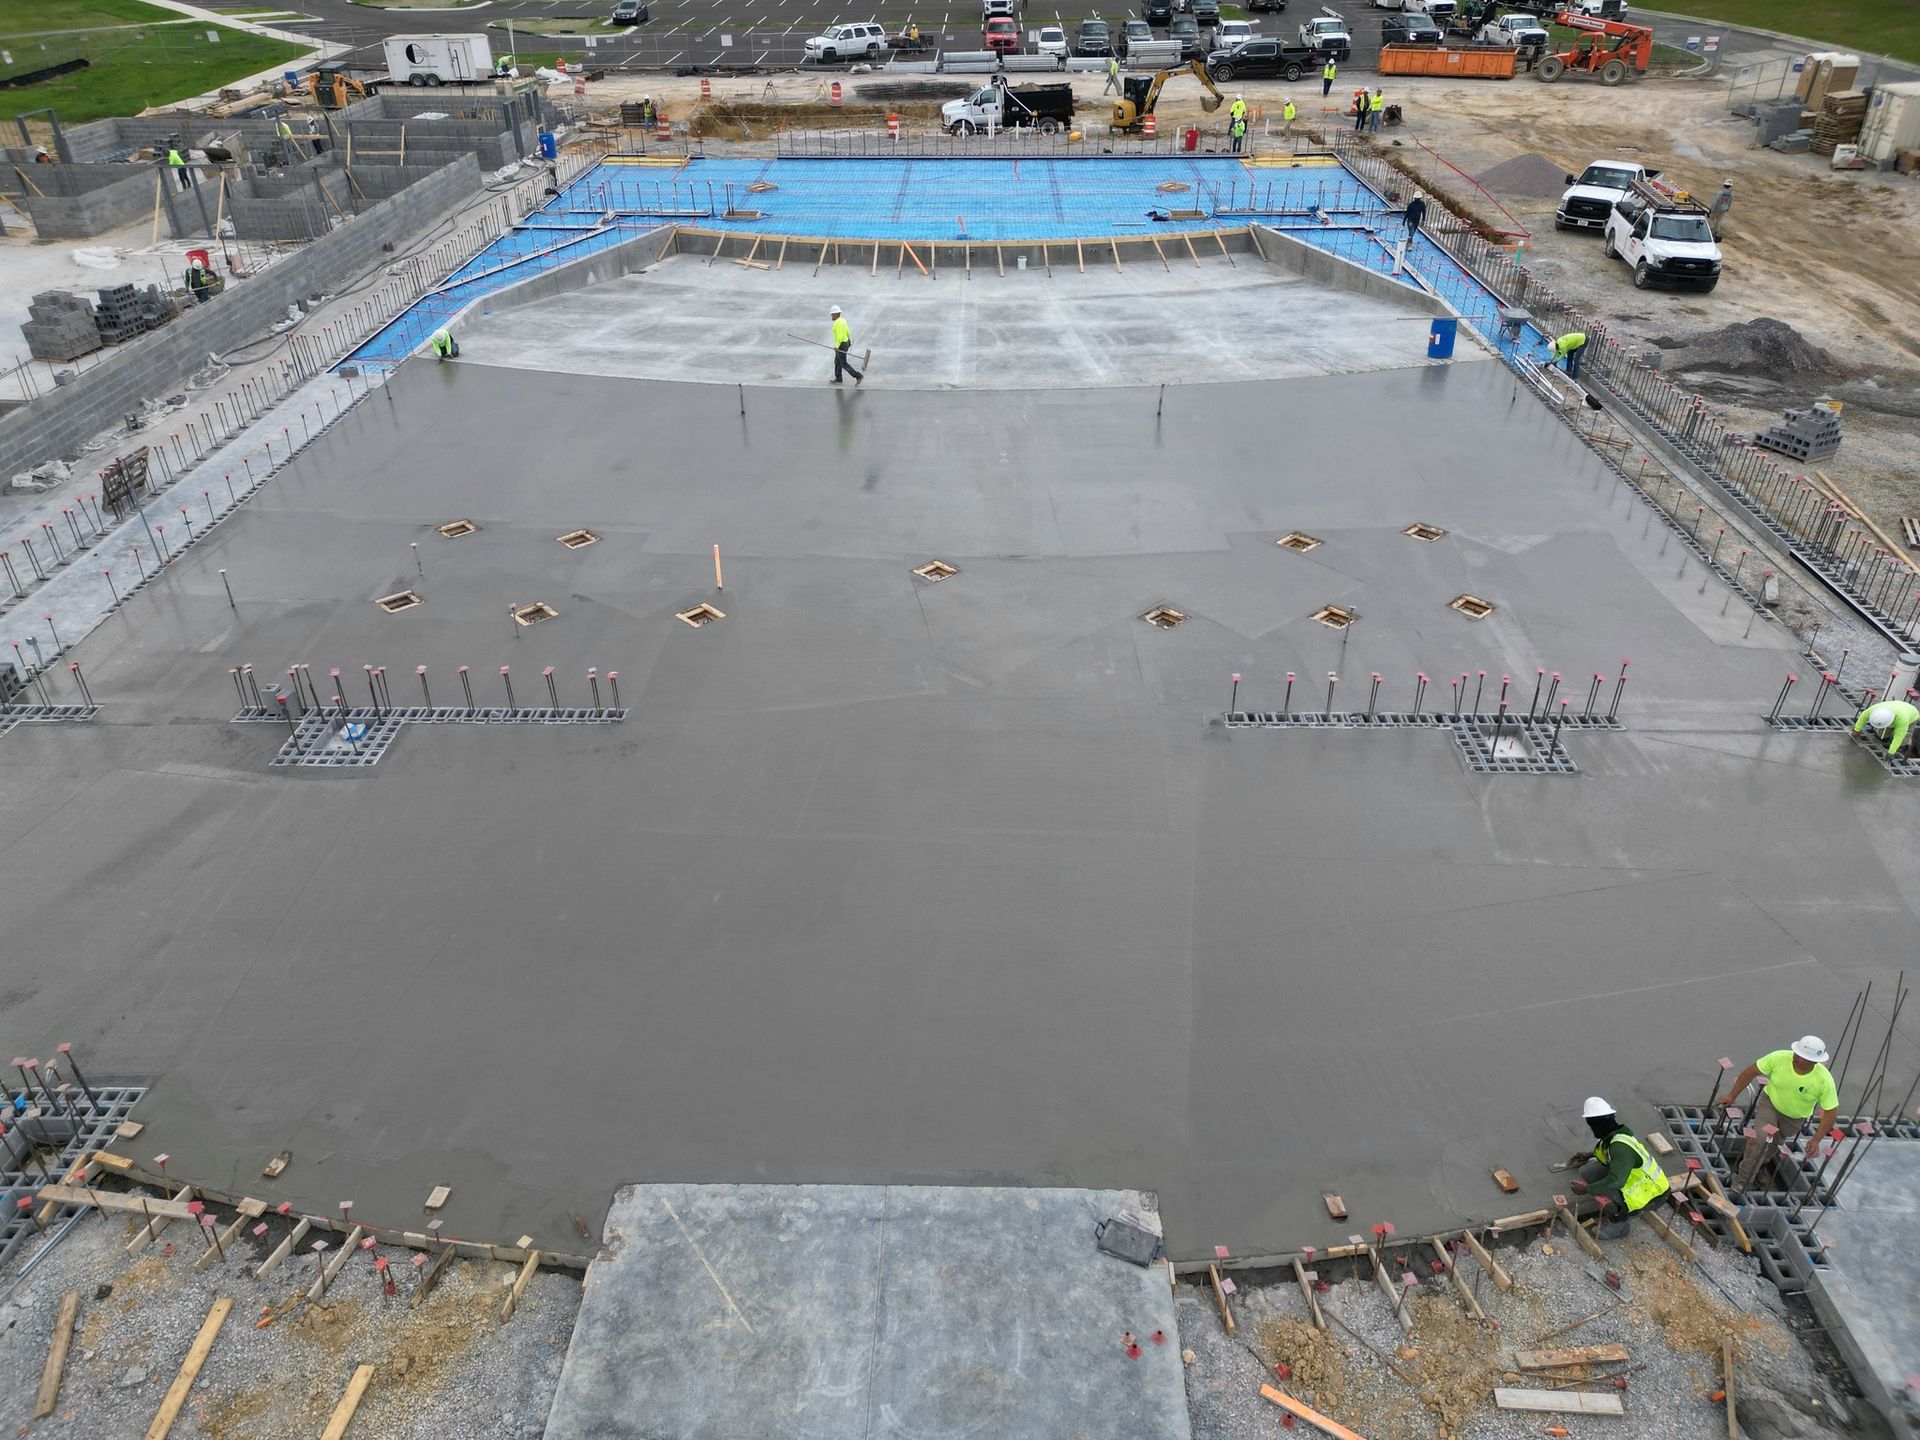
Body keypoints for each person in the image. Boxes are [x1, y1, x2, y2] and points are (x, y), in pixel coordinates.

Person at [1720, 1038, 1840, 1190]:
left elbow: (1830, 1112)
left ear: (1815, 1061)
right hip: (1770, 1105)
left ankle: (1759, 1165)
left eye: (1804, 1058)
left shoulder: (1824, 1080)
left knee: (1772, 1145)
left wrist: (1816, 1140)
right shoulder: (1779, 1058)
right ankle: (1743, 1180)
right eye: (1797, 1054)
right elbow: (1751, 1071)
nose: (1797, 1058)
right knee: (1760, 1139)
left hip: (1794, 1118)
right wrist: (1732, 1095)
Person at [1566, 1097, 1667, 1240]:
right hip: (1630, 1177)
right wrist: (1588, 1155)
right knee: (1586, 1172)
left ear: (1594, 1123)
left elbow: (1617, 1181)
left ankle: (1618, 1226)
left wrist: (1587, 1189)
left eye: (1591, 1124)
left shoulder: (1620, 1147)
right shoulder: (1617, 1135)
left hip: (1651, 1194)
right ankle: (1616, 1209)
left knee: (1605, 1190)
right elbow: (1609, 1154)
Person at [1853, 698, 1919, 756]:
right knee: (1881, 736)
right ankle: (1886, 738)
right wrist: (1857, 730)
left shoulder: (1903, 719)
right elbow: (1863, 716)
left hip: (1911, 715)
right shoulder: (1875, 709)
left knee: (1903, 738)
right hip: (1896, 709)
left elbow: (1899, 736)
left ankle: (1901, 748)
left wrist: (1891, 752)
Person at [829, 305, 863, 385]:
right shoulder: (843, 320)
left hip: (841, 344)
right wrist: (849, 340)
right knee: (837, 361)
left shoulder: (837, 323)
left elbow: (840, 336)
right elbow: (848, 331)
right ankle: (838, 378)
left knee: (843, 363)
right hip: (846, 342)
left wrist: (837, 346)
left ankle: (858, 376)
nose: (831, 316)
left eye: (832, 314)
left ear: (836, 314)